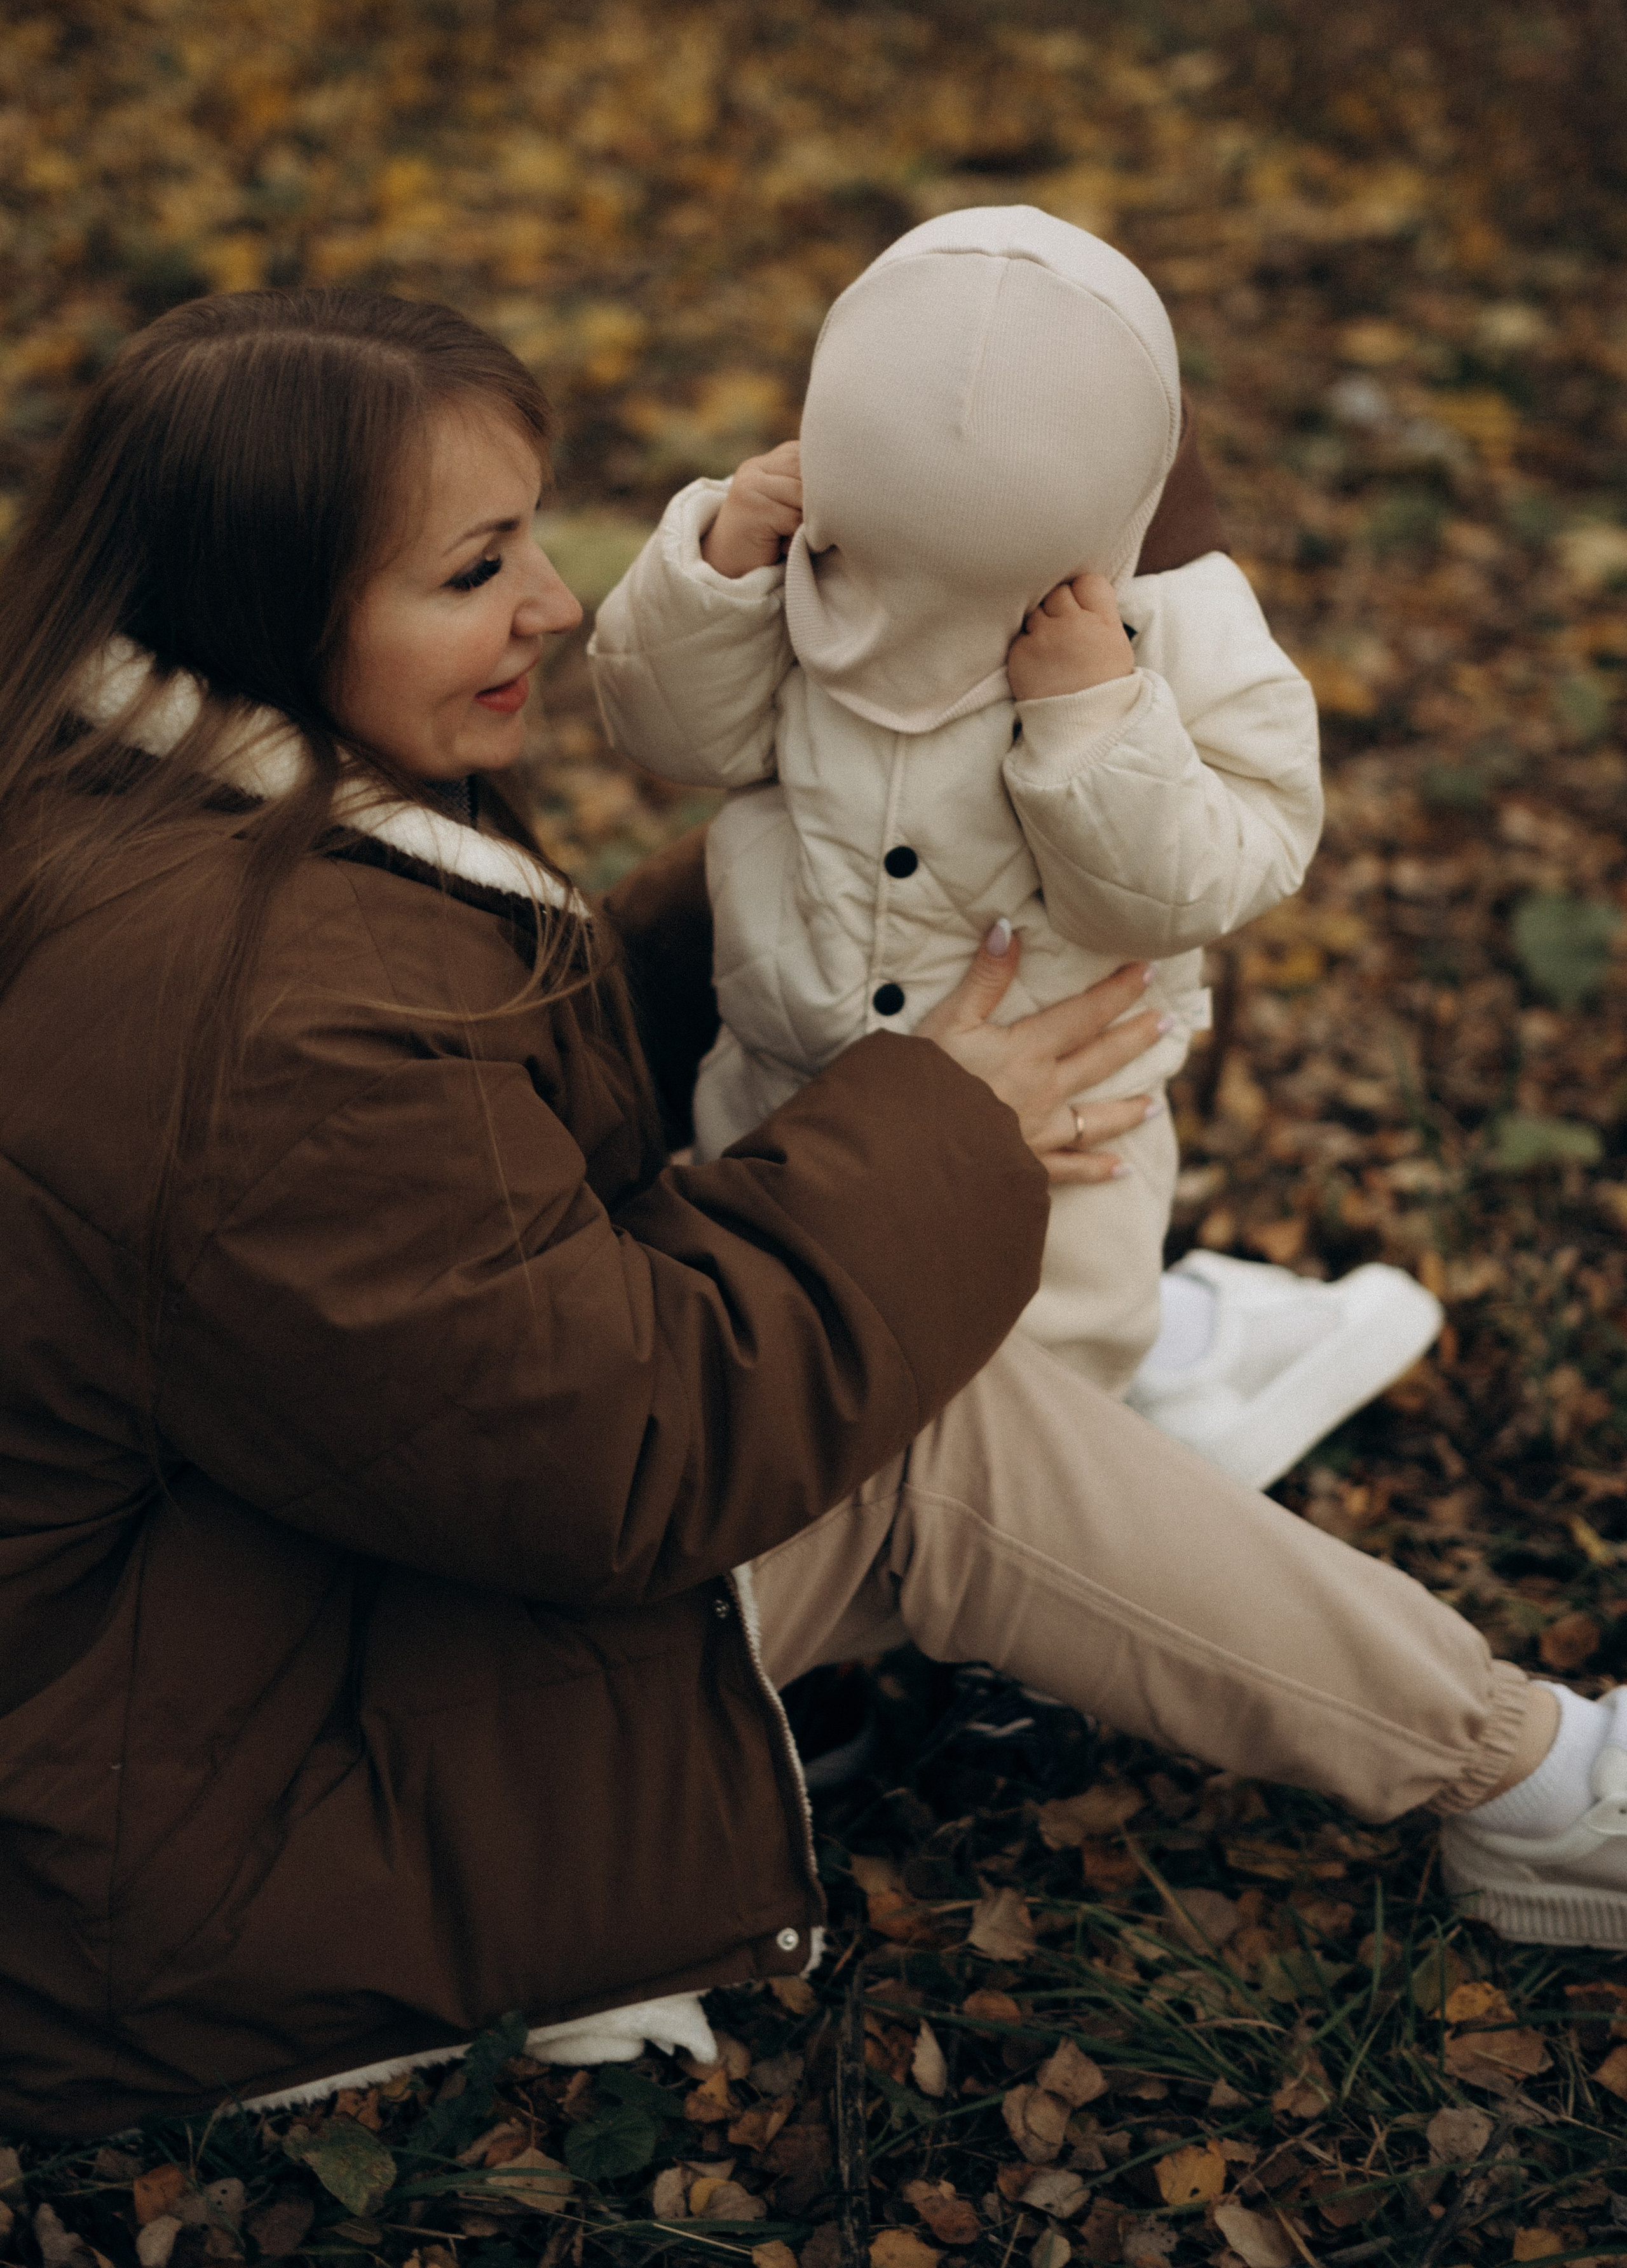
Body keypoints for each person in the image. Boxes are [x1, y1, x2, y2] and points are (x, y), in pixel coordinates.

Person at [0, 291, 1615, 2146]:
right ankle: (1539, 1782)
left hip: (210, 1620)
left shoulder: (139, 806)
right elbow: (621, 1449)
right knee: (920, 1440)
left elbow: (440, 1183)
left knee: (866, 1251)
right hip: (200, 1827)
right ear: (260, 601)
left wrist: (778, 911)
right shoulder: (257, 1002)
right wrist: (936, 1128)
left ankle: (1138, 1360)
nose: (553, 602)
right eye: (473, 569)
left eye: (535, 533)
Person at [590, 208, 1441, 1486]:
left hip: (1058, 1136)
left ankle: (1071, 1511)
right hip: (785, 1095)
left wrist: (1093, 722)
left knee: (1033, 1392)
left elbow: (1219, 873)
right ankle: (857, 1519)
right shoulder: (808, 551)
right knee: (792, 1342)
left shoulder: (1181, 627)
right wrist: (715, 572)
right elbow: (671, 732)